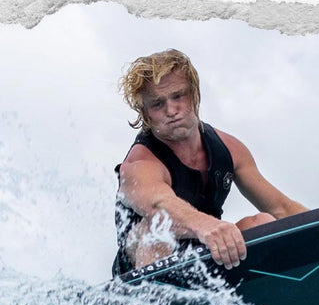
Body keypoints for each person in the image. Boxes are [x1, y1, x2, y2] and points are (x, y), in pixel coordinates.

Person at [112, 49, 307, 278]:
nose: (171, 110)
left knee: (264, 223)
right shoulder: (139, 163)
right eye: (157, 104)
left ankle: (272, 300)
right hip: (141, 274)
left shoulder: (230, 149)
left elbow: (282, 208)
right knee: (154, 234)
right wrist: (206, 226)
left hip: (207, 256)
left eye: (178, 96)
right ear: (145, 114)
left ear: (194, 96)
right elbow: (159, 206)